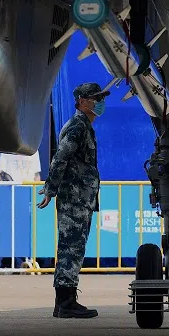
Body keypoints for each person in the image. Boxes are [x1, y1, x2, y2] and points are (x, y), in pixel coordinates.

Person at [37, 82, 110, 319]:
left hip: (80, 198)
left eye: (101, 97)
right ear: (81, 101)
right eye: (94, 98)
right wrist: (51, 188)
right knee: (71, 248)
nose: (99, 102)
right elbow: (61, 158)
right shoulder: (78, 127)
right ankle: (66, 302)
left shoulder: (83, 127)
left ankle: (64, 302)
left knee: (73, 249)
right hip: (75, 199)